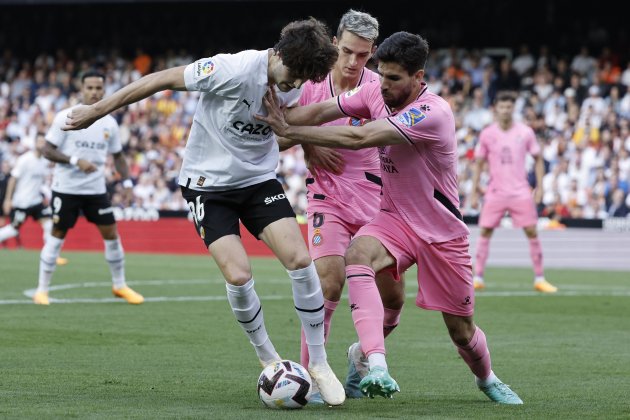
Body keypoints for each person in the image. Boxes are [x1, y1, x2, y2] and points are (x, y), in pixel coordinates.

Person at [62, 19, 346, 406]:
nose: (295, 85)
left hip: (257, 181)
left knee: (299, 259)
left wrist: (300, 137)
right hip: (207, 186)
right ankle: (269, 359)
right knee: (239, 273)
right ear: (278, 55)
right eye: (293, 76)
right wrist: (97, 109)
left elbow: (278, 129)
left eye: (302, 80)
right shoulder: (231, 69)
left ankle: (320, 363)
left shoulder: (301, 79)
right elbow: (159, 79)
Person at [257, 31, 523, 404]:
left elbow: (359, 138)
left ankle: (487, 379)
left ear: (418, 77)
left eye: (394, 78)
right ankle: (375, 365)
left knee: (461, 331)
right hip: (393, 219)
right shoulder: (372, 91)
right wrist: (271, 118)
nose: (382, 85)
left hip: (440, 232)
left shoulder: (433, 113)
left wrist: (291, 131)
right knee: (357, 256)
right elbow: (320, 110)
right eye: (380, 74)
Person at [280, 10, 405, 399]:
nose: (353, 63)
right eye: (348, 51)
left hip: (375, 202)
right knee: (327, 282)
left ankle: (359, 356)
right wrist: (308, 141)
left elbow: (390, 137)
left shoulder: (376, 87)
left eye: (363, 56)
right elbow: (279, 134)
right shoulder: (309, 83)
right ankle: (313, 375)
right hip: (327, 197)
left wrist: (318, 140)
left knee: (394, 301)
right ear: (334, 43)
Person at [34, 70, 143, 306]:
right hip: (66, 189)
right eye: (90, 88)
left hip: (95, 190)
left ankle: (120, 285)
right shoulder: (66, 116)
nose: (94, 92)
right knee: (57, 235)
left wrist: (126, 183)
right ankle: (42, 290)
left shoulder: (110, 123)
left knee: (112, 234)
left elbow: (119, 156)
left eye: (98, 88)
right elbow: (48, 150)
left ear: (104, 90)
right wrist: (75, 161)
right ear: (81, 89)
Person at [470, 92, 558, 293]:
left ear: (513, 109)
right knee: (485, 231)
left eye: (509, 107)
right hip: (495, 191)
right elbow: (479, 164)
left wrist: (541, 187)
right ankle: (479, 277)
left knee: (532, 231)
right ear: (495, 109)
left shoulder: (525, 132)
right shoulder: (487, 134)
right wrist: (474, 192)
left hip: (520, 191)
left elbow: (538, 159)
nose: (505, 110)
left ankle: (539, 278)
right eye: (502, 107)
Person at [0, 133, 68, 265]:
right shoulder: (25, 159)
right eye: (39, 141)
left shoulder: (44, 161)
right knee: (13, 230)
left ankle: (52, 256)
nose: (42, 144)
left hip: (36, 202)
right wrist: (8, 199)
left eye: (44, 142)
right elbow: (13, 179)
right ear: (35, 143)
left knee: (49, 225)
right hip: (22, 203)